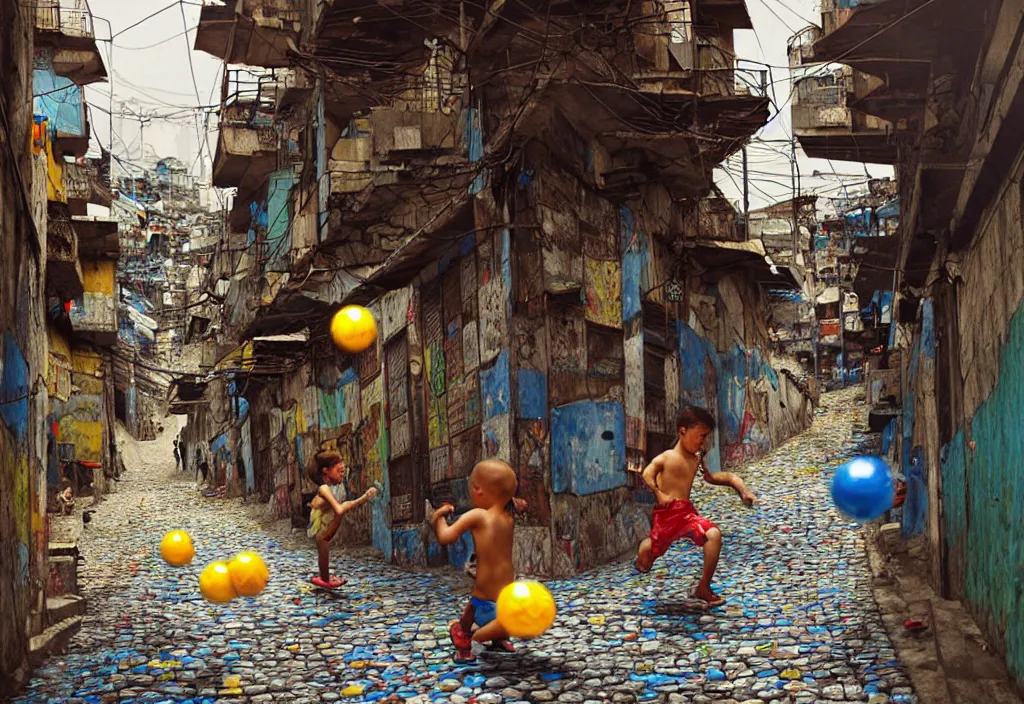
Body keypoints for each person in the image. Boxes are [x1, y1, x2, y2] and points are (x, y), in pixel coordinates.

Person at [634, 406, 757, 607]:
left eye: (705, 437)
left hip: (686, 514)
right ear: (683, 431)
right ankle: (643, 556)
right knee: (652, 552)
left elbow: (715, 477)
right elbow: (647, 474)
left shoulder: (696, 459)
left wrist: (742, 489)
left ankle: (704, 587)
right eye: (701, 436)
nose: (703, 441)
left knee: (713, 535)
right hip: (667, 515)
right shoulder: (666, 457)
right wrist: (660, 494)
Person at [432, 459, 518, 663]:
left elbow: (445, 536)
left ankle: (469, 632)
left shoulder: (479, 515)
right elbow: (516, 502)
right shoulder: (507, 513)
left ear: (478, 491)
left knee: (484, 610)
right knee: (479, 607)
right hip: (494, 587)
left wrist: (438, 517)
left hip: (500, 590)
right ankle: (463, 635)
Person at [307, 451, 376, 589]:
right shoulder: (324, 488)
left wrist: (363, 497)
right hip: (321, 528)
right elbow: (339, 509)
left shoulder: (333, 488)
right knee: (323, 553)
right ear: (326, 472)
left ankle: (324, 578)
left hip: (326, 528)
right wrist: (363, 498)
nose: (343, 470)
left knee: (324, 556)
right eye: (338, 469)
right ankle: (325, 579)